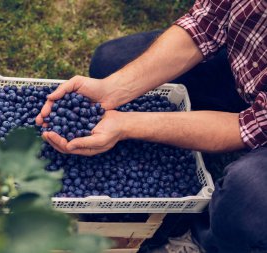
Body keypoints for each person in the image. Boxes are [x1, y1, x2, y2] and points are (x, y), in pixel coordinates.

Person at [36, 0, 267, 252]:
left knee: (247, 197)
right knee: (111, 61)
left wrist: (126, 124)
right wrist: (112, 89)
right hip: (249, 75)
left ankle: (205, 241)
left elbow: (249, 125)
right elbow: (205, 24)